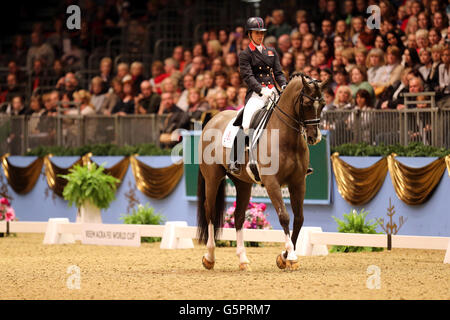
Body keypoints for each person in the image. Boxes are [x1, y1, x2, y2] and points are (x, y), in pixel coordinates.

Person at [229, 16, 287, 174]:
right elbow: (248, 77)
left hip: (274, 92)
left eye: (261, 33)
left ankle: (300, 160)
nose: (260, 36)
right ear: (249, 34)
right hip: (257, 94)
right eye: (256, 33)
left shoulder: (271, 51)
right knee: (246, 122)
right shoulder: (245, 54)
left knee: (291, 116)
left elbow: (279, 73)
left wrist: (283, 85)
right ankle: (235, 158)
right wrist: (262, 90)